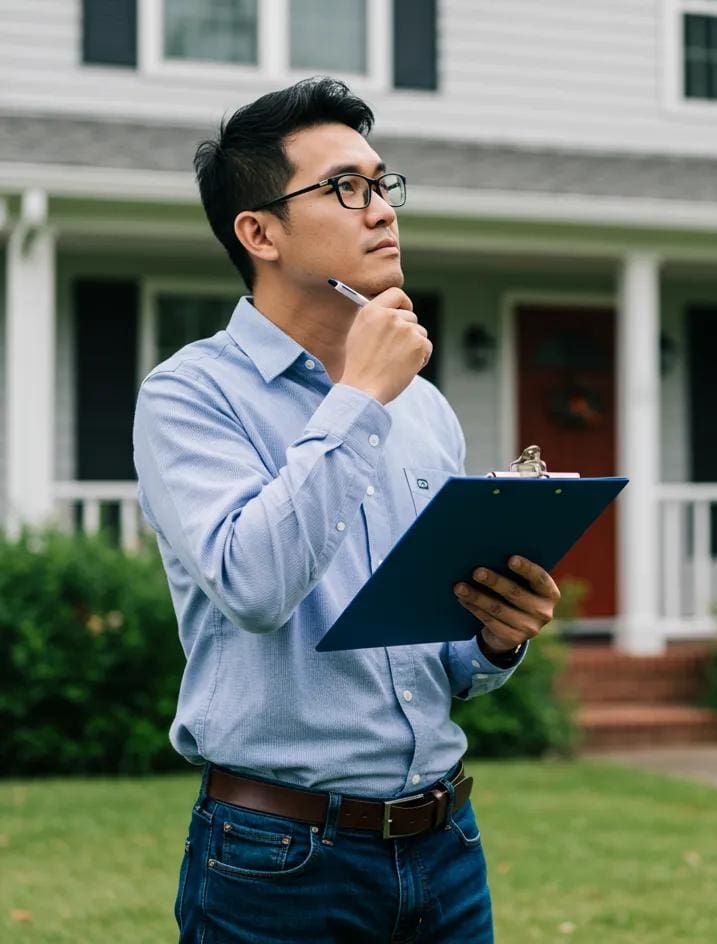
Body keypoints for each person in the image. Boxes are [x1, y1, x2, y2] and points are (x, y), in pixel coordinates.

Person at [132, 76, 562, 943]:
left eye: (381, 184)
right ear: (259, 232)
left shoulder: (424, 407)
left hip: (446, 847)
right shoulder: (188, 396)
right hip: (276, 859)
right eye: (343, 188)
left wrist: (494, 636)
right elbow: (254, 584)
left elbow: (439, 660)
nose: (381, 211)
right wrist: (361, 394)